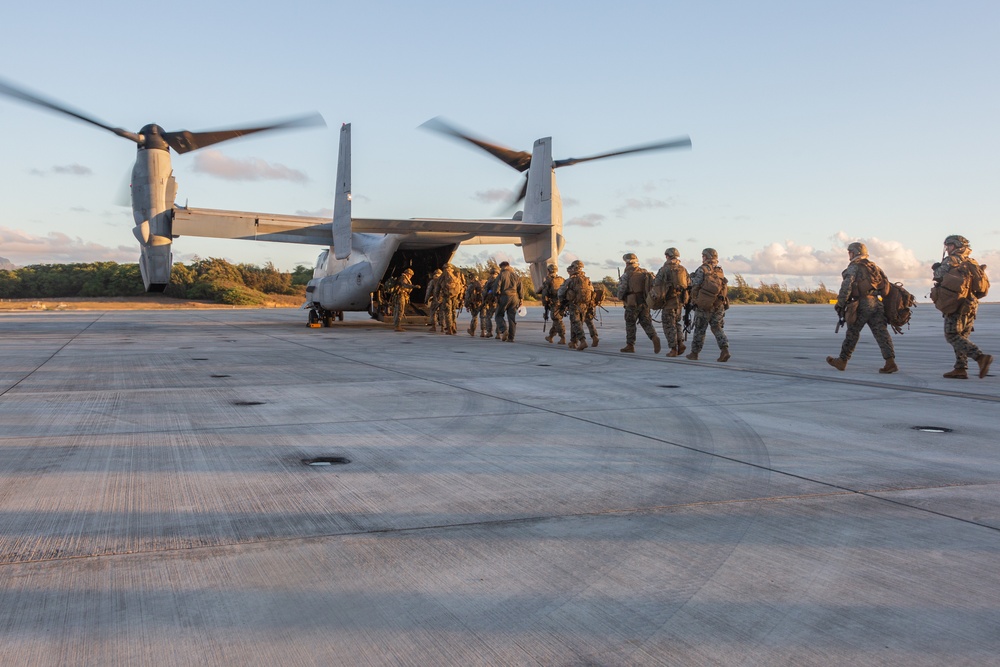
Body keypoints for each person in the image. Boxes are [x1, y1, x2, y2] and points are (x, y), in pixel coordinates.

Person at [826, 242, 897, 373]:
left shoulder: (854, 267)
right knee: (881, 333)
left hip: (863, 304)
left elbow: (846, 286)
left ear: (855, 253)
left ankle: (842, 360)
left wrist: (840, 304)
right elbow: (885, 284)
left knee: (852, 332)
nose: (849, 255)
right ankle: (890, 361)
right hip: (877, 302)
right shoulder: (873, 266)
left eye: (850, 252)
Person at [931, 235, 993, 379]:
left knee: (952, 335)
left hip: (956, 304)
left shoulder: (951, 260)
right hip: (971, 304)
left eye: (948, 246)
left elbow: (939, 275)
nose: (947, 249)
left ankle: (980, 358)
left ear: (955, 246)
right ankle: (960, 368)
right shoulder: (972, 262)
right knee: (962, 336)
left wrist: (936, 268)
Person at [686, 248, 731, 362]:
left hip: (704, 305)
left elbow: (694, 283)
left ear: (706, 257)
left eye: (703, 256)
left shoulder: (702, 269)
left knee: (700, 330)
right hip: (718, 304)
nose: (702, 258)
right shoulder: (719, 271)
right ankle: (724, 350)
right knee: (717, 327)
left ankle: (694, 353)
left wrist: (691, 277)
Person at [617, 253, 661, 354]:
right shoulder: (644, 272)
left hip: (632, 302)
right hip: (645, 302)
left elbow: (621, 290)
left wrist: (620, 297)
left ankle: (630, 345)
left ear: (627, 263)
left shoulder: (627, 274)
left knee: (630, 323)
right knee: (646, 322)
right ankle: (654, 337)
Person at [653, 247, 690, 357]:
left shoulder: (664, 269)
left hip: (668, 302)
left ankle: (673, 349)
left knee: (669, 325)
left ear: (667, 256)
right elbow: (688, 283)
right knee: (677, 323)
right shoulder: (683, 269)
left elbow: (656, 283)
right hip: (679, 302)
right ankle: (681, 343)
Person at [559, 260, 594, 350]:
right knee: (578, 323)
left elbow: (560, 292)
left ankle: (582, 341)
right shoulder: (587, 280)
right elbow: (592, 292)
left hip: (574, 304)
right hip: (585, 305)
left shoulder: (571, 280)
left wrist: (563, 302)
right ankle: (573, 342)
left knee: (575, 323)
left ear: (574, 268)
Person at [493, 261, 524, 342]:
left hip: (504, 296)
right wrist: (521, 299)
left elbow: (496, 287)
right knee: (512, 318)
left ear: (503, 266)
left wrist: (496, 295)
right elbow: (520, 288)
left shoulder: (501, 275)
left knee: (498, 315)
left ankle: (504, 330)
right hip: (515, 297)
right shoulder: (516, 275)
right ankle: (511, 337)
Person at [540, 264, 566, 344]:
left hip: (554, 303)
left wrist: (545, 304)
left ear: (548, 271)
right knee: (556, 319)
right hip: (562, 303)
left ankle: (562, 337)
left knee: (557, 320)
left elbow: (544, 294)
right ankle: (550, 336)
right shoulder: (561, 279)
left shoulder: (548, 280)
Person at [464, 271, 485, 337]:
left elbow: (467, 296)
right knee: (483, 317)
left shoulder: (471, 286)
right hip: (483, 302)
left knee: (474, 317)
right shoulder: (481, 284)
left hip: (475, 303)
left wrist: (466, 305)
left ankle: (472, 331)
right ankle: (483, 332)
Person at [483, 265, 500, 338]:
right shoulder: (501, 280)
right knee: (498, 317)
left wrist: (484, 300)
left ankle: (489, 332)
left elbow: (485, 292)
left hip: (491, 302)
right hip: (499, 302)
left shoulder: (489, 281)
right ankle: (498, 333)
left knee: (488, 317)